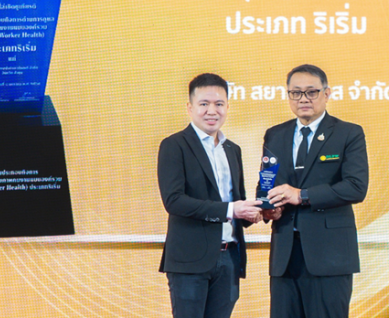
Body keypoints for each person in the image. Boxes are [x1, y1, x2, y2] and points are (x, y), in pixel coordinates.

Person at [262, 64, 369, 318]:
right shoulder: (275, 135)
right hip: (285, 257)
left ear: (327, 93)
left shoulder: (348, 133)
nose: (303, 99)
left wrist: (302, 195)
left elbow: (356, 187)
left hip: (329, 256)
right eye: (296, 93)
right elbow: (266, 184)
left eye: (311, 92)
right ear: (288, 95)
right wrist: (269, 208)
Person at [158, 73, 262, 318]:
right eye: (204, 104)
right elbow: (174, 201)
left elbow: (236, 200)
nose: (212, 111)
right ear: (190, 107)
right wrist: (231, 210)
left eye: (219, 104)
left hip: (229, 258)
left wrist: (256, 212)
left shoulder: (232, 149)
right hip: (190, 260)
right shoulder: (174, 145)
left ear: (227, 107)